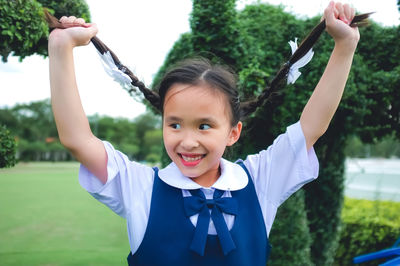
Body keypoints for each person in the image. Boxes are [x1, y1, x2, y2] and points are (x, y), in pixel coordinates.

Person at [48, 1, 359, 265]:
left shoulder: (260, 180)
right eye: (174, 124)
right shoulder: (140, 188)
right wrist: (62, 48)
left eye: (205, 125)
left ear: (233, 133)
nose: (187, 140)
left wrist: (344, 46)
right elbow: (77, 139)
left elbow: (311, 128)